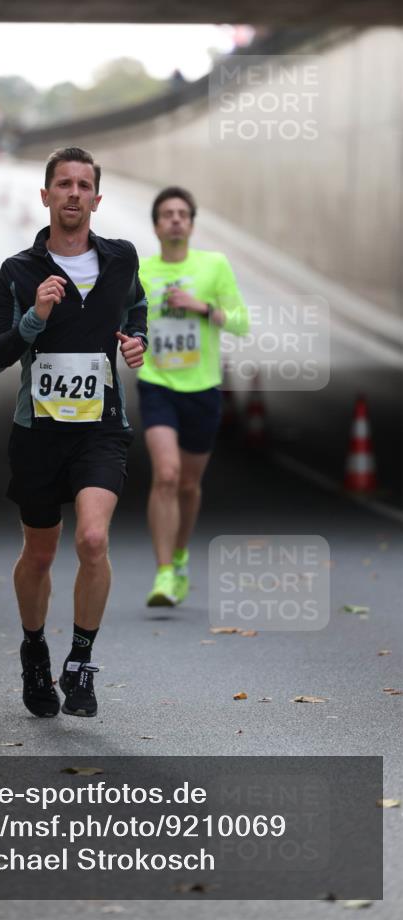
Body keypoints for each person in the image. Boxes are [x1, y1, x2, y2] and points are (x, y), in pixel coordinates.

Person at [0, 146, 147, 718]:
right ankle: (34, 651)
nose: (74, 194)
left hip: (101, 429)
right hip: (38, 434)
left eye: (84, 186)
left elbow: (137, 308)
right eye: (64, 184)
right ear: (46, 195)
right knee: (40, 553)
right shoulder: (20, 271)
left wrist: (136, 341)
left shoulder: (122, 258)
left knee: (93, 540)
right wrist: (36, 317)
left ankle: (79, 663)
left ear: (97, 199)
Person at [137, 187, 248, 607]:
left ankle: (180, 555)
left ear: (192, 224)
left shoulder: (213, 266)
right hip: (157, 383)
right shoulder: (142, 272)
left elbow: (240, 323)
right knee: (165, 474)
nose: (176, 219)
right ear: (156, 225)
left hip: (202, 389)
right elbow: (126, 319)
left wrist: (201, 308)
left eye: (183, 213)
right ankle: (164, 572)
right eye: (167, 213)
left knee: (188, 484)